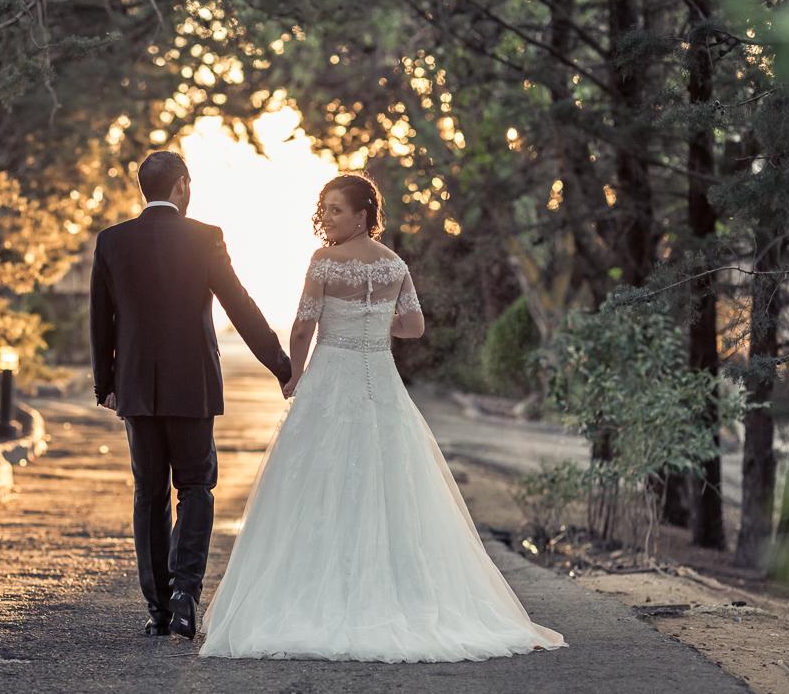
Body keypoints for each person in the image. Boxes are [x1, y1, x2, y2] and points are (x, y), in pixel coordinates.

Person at [197, 173, 568, 663]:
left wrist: (295, 376)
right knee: (390, 480)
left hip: (332, 377)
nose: (327, 217)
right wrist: (376, 322)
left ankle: (312, 595)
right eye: (325, 209)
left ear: (362, 215)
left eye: (336, 209)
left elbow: (303, 326)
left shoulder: (325, 261)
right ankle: (399, 596)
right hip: (381, 377)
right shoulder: (395, 263)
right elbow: (414, 327)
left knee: (317, 480)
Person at [89, 150, 291, 639]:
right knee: (196, 486)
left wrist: (106, 384)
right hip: (193, 385)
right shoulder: (205, 238)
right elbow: (240, 306)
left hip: (136, 387)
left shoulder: (112, 240)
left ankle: (158, 609)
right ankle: (185, 594)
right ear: (181, 185)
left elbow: (100, 319)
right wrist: (282, 367)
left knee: (149, 493)